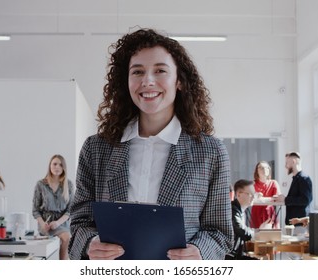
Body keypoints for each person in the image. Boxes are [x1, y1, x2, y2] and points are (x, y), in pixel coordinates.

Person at [68, 28, 233, 260]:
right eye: (137, 72)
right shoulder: (96, 149)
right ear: (126, 81)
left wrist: (200, 252)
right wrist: (90, 242)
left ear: (179, 81)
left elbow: (220, 233)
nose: (147, 81)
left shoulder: (211, 152)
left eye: (160, 71)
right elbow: (79, 222)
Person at [32, 154, 74, 260]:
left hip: (62, 224)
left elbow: (70, 210)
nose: (57, 167)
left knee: (67, 237)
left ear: (64, 168)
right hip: (45, 225)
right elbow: (35, 210)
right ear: (50, 165)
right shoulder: (40, 184)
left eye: (60, 165)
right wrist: (43, 224)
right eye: (54, 164)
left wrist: (57, 223)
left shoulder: (68, 184)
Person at [275, 151, 312, 225]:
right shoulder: (297, 178)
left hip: (300, 222)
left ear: (293, 161)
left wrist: (285, 199)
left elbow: (305, 200)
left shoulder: (304, 178)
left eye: (287, 163)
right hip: (295, 222)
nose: (286, 166)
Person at [225, 180, 259, 260]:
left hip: (236, 256)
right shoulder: (233, 209)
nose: (253, 197)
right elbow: (241, 230)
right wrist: (257, 233)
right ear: (238, 194)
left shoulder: (240, 210)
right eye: (250, 194)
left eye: (255, 194)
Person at [251, 161, 281, 228]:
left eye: (266, 168)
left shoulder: (273, 183)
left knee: (271, 236)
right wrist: (271, 199)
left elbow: (278, 198)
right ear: (257, 171)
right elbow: (251, 198)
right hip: (256, 213)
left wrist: (262, 199)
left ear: (269, 170)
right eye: (261, 168)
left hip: (269, 213)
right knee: (257, 235)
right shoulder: (252, 184)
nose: (264, 169)